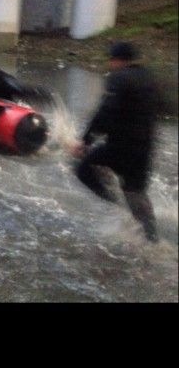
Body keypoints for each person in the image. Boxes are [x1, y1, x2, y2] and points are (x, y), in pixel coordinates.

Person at [71, 41, 159, 243]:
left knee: (83, 169)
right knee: (135, 191)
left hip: (121, 145)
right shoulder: (149, 77)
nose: (110, 64)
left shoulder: (118, 77)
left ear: (117, 60)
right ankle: (152, 238)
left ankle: (116, 204)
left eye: (111, 60)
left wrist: (85, 141)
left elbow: (106, 111)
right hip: (145, 147)